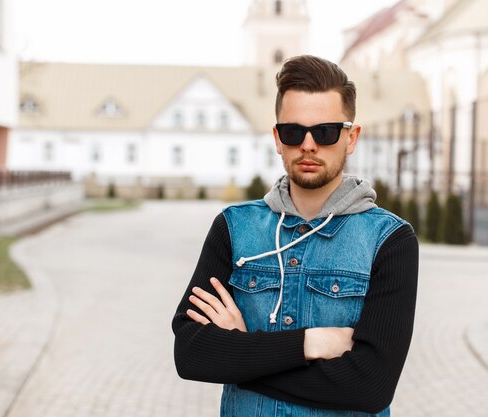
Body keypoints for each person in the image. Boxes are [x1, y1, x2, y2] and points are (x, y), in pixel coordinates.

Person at [172, 55, 418, 417]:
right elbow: (191, 355)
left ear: (351, 138)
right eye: (293, 131)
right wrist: (310, 343)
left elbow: (371, 386)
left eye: (325, 131)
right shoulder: (234, 228)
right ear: (277, 138)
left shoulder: (389, 240)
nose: (308, 145)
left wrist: (240, 354)